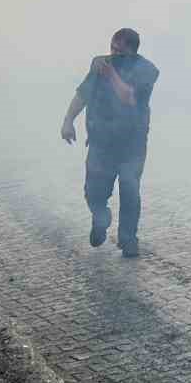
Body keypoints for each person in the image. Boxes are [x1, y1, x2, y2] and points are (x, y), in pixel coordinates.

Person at [60, 28, 160, 258]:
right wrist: (68, 120)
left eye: (120, 51)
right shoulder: (100, 65)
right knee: (94, 192)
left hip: (131, 144)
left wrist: (111, 74)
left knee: (130, 188)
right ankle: (100, 218)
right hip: (101, 142)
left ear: (133, 52)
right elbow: (83, 94)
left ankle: (128, 239)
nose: (113, 54)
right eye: (112, 48)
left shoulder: (146, 71)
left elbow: (128, 97)